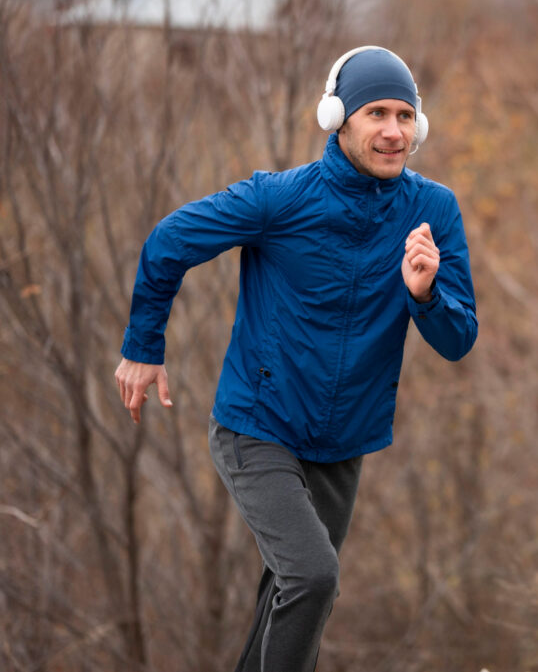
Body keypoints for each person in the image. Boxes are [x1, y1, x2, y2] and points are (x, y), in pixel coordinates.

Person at [114, 46, 477, 671]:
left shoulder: (433, 211)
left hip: (344, 441)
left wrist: (425, 294)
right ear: (336, 118)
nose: (394, 131)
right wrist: (143, 348)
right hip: (257, 425)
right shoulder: (277, 200)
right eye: (375, 114)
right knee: (311, 578)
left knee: (294, 598)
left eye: (405, 116)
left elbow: (458, 339)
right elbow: (169, 241)